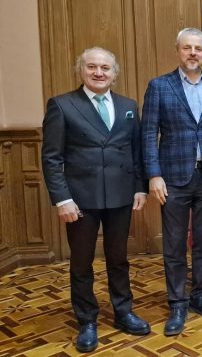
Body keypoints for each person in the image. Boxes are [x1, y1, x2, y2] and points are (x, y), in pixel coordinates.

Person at [41, 47, 150, 352]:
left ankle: (123, 311)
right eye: (92, 67)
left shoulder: (128, 105)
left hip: (120, 196)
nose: (99, 73)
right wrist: (62, 199)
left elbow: (136, 151)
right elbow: (51, 158)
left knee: (119, 259)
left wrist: (139, 187)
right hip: (81, 200)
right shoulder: (62, 105)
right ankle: (87, 319)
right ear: (82, 70)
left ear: (114, 73)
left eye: (105, 68)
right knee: (81, 261)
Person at [141, 28, 202, 336]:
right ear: (178, 51)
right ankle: (178, 303)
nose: (193, 53)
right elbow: (148, 134)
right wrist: (154, 174)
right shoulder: (159, 86)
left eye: (198, 48)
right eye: (187, 48)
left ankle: (200, 295)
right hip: (173, 178)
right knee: (174, 243)